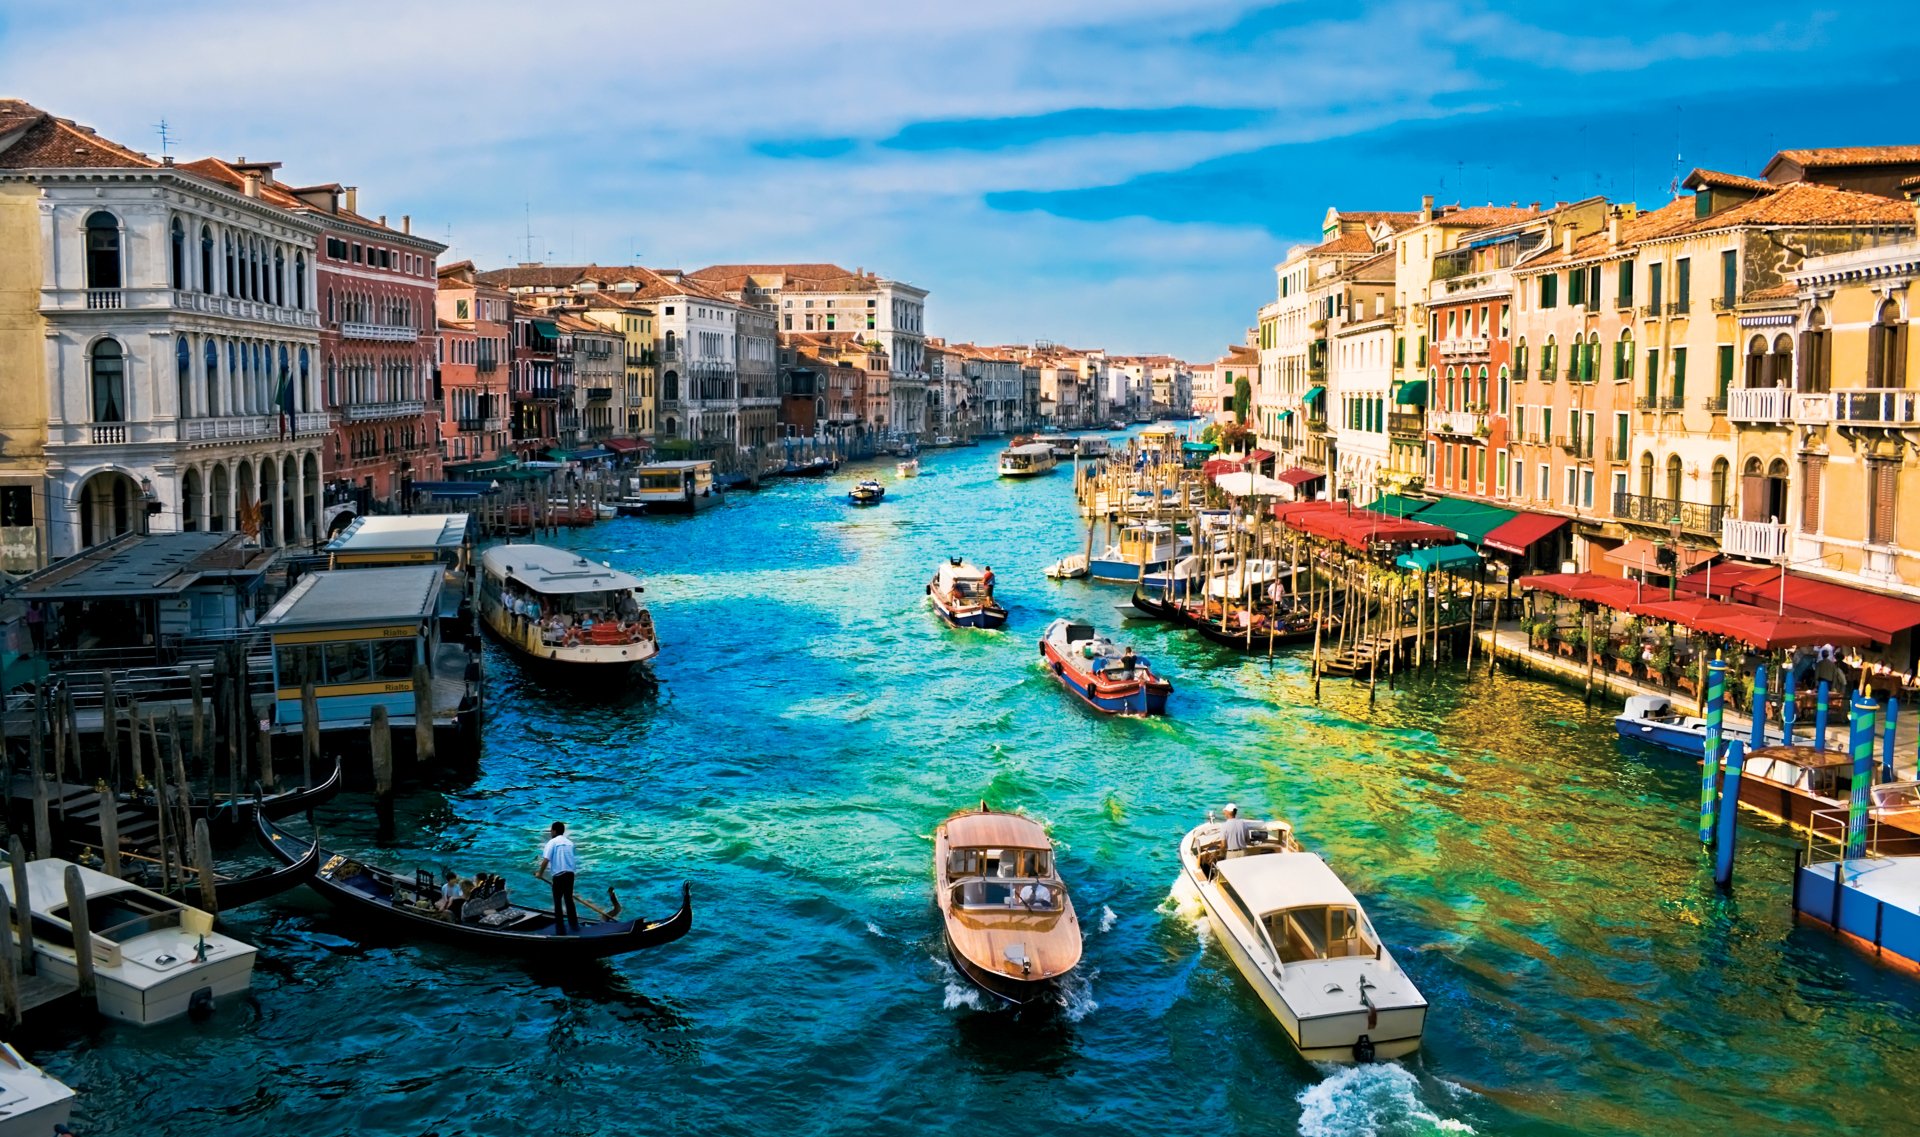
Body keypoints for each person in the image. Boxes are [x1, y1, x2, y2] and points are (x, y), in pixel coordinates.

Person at [536, 821, 580, 933]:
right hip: (570, 874)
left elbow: (546, 860)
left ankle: (560, 928)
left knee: (558, 901)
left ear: (554, 831)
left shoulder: (552, 842)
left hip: (559, 875)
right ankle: (574, 926)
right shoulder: (570, 843)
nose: (550, 832)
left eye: (551, 830)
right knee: (569, 900)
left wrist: (539, 874)